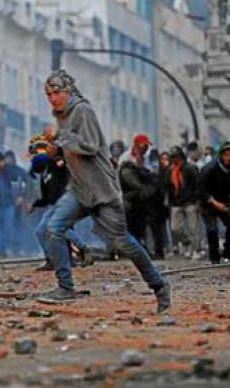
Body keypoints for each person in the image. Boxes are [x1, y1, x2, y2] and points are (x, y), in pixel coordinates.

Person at [37, 69, 170, 313]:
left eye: (57, 92)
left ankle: (159, 285)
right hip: (79, 190)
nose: (53, 98)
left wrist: (60, 136)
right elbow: (70, 150)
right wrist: (54, 149)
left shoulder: (82, 110)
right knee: (53, 229)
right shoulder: (63, 115)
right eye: (48, 94)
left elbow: (89, 146)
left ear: (68, 91)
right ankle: (65, 287)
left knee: (123, 244)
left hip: (102, 191)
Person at [29, 151, 91, 271]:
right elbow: (46, 198)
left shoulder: (55, 165)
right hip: (53, 206)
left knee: (58, 228)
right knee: (40, 231)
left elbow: (65, 161)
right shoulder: (43, 177)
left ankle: (83, 248)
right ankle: (51, 259)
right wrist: (34, 204)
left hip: (64, 202)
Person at [118, 134, 157, 247]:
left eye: (147, 146)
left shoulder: (143, 157)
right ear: (138, 145)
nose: (146, 148)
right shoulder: (126, 158)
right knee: (129, 222)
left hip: (139, 197)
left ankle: (140, 243)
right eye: (144, 146)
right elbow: (122, 177)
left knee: (141, 222)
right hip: (127, 196)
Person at [165, 145, 201, 259]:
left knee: (193, 228)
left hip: (190, 202)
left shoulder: (190, 168)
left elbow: (197, 184)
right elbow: (168, 187)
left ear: (180, 156)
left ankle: (197, 250)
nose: (173, 159)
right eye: (172, 157)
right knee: (175, 228)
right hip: (176, 203)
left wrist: (197, 200)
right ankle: (187, 242)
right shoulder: (170, 171)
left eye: (175, 156)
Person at [198, 142, 230, 264]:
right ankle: (214, 258)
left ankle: (228, 253)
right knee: (212, 230)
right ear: (221, 155)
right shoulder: (208, 169)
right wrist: (215, 203)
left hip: (225, 201)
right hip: (208, 203)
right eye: (226, 154)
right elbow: (201, 191)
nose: (228, 158)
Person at [0, 151, 15, 256]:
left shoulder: (7, 171)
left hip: (8, 203)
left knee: (8, 227)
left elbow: (13, 183)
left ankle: (7, 249)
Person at [5, 150, 27, 255]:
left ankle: (19, 247)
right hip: (6, 203)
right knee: (8, 226)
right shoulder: (3, 172)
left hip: (19, 203)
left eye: (10, 158)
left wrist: (22, 197)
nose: (8, 160)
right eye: (6, 158)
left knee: (18, 226)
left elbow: (27, 186)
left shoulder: (20, 171)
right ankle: (8, 248)